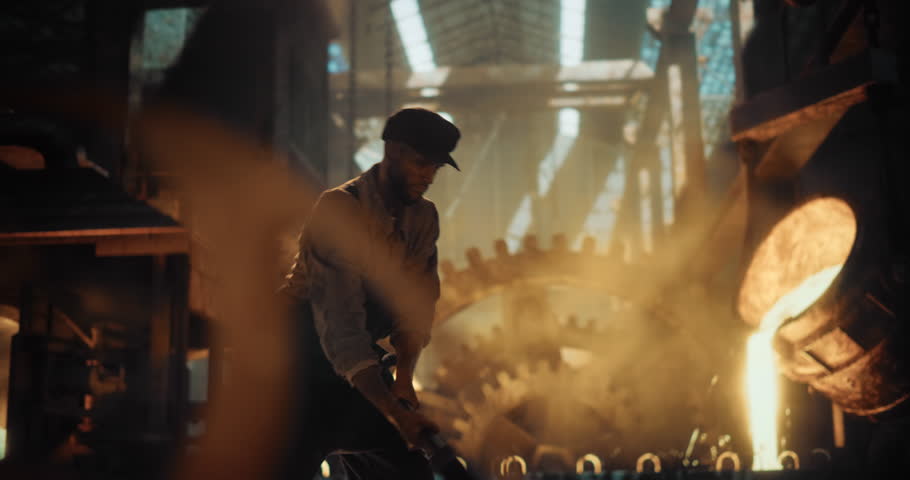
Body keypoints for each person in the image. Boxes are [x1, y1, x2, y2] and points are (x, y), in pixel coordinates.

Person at [278, 108, 461, 479]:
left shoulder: (423, 218)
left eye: (435, 168)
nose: (428, 176)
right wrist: (394, 415)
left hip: (354, 360)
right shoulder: (340, 209)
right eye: (421, 163)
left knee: (406, 472)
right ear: (392, 152)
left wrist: (405, 379)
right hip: (294, 361)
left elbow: (417, 306)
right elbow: (340, 325)